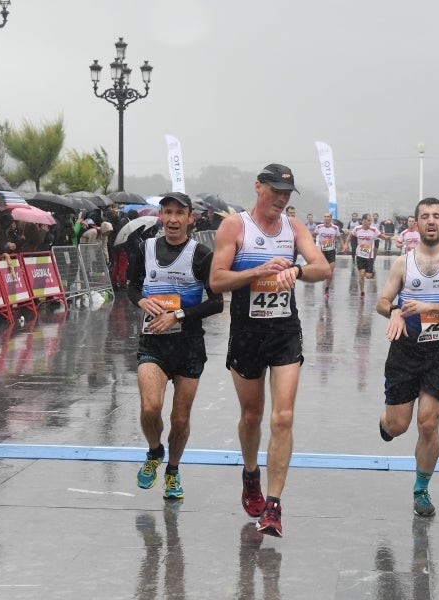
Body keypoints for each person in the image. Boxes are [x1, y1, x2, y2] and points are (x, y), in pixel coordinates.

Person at [210, 163, 329, 537]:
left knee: (283, 416)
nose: (281, 198)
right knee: (251, 416)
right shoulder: (235, 227)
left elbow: (322, 267)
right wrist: (258, 272)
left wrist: (297, 270)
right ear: (258, 187)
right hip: (246, 331)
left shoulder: (294, 229)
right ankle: (250, 475)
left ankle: (274, 507)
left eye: (287, 193)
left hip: (283, 332)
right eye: (275, 190)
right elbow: (217, 280)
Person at [377, 197, 439, 517]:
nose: (431, 221)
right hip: (404, 350)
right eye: (425, 216)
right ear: (416, 223)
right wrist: (393, 311)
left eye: (437, 216)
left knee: (428, 424)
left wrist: (429, 307)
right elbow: (382, 300)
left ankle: (421, 489)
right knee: (398, 426)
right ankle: (386, 421)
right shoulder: (403, 263)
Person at [128, 192, 223, 501]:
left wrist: (178, 315)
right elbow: (130, 286)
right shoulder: (145, 249)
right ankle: (155, 451)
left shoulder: (201, 254)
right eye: (167, 212)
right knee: (150, 407)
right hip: (153, 342)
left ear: (189, 218)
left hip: (189, 346)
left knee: (179, 419)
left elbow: (218, 302)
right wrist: (140, 299)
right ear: (161, 216)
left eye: (179, 213)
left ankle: (172, 470)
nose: (172, 219)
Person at [343, 213, 392, 298]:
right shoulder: (357, 229)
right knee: (361, 274)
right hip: (360, 255)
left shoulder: (373, 230)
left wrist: (389, 238)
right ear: (364, 221)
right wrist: (346, 244)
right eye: (369, 220)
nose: (370, 222)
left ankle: (368, 273)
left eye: (371, 220)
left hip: (369, 256)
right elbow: (350, 236)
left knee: (368, 276)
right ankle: (362, 292)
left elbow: (381, 236)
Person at [314, 212, 342, 294]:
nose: (326, 218)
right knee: (323, 271)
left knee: (330, 271)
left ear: (331, 218)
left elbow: (339, 238)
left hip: (331, 251)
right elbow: (312, 235)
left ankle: (327, 288)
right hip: (321, 251)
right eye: (325, 216)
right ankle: (323, 276)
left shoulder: (335, 228)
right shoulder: (318, 227)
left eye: (328, 217)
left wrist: (343, 246)